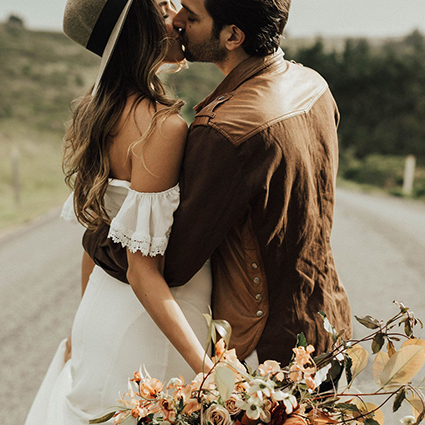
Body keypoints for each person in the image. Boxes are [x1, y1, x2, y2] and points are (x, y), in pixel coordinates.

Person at [83, 0, 353, 369]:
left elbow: (174, 263)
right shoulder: (315, 85)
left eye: (191, 16)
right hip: (331, 323)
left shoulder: (224, 130)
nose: (177, 20)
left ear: (232, 35)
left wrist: (96, 235)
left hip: (267, 349)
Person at [24, 0, 214, 424]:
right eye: (166, 9)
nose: (179, 19)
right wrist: (210, 370)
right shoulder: (161, 127)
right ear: (141, 30)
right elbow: (141, 268)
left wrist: (79, 323)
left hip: (99, 313)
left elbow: (94, 239)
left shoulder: (96, 112)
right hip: (148, 332)